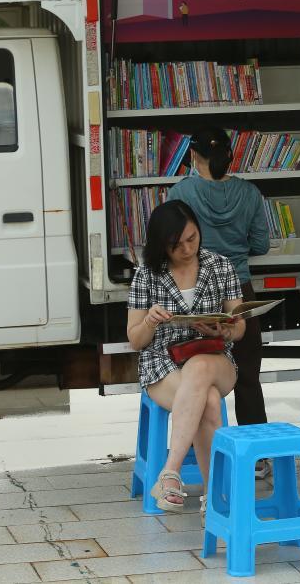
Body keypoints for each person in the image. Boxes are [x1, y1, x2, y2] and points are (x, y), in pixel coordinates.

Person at [126, 200, 242, 515]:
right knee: (208, 400)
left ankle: (170, 472)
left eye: (192, 239)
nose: (188, 249)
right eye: (177, 245)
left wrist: (223, 329)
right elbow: (135, 340)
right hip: (162, 363)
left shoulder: (220, 266)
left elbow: (240, 327)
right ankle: (215, 499)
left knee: (201, 367)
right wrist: (149, 322)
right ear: (162, 245)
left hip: (215, 356)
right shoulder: (147, 275)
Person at [168, 128, 272, 477]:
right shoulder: (249, 193)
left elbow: (170, 239)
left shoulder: (182, 192)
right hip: (239, 288)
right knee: (247, 374)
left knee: (195, 372)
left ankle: (197, 454)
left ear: (194, 157)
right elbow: (261, 244)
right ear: (230, 156)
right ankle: (258, 457)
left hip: (196, 289)